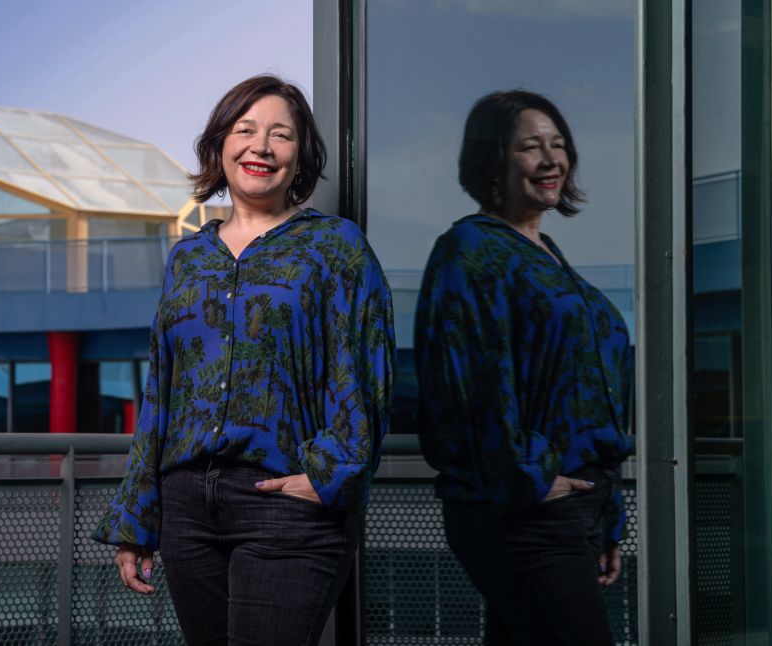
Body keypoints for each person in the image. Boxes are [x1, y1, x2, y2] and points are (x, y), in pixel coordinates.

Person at [94, 74, 395, 646]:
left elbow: (369, 373)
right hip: (187, 512)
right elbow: (162, 388)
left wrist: (329, 477)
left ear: (299, 155)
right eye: (245, 129)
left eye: (280, 134)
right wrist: (139, 516)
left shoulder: (334, 246)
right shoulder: (188, 258)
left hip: (284, 504)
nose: (261, 146)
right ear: (219, 145)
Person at [414, 90, 633, 646]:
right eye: (530, 147)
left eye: (558, 145)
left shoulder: (548, 251)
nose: (551, 159)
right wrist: (529, 479)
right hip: (523, 511)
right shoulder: (469, 249)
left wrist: (605, 514)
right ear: (493, 160)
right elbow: (467, 387)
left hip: (571, 506)